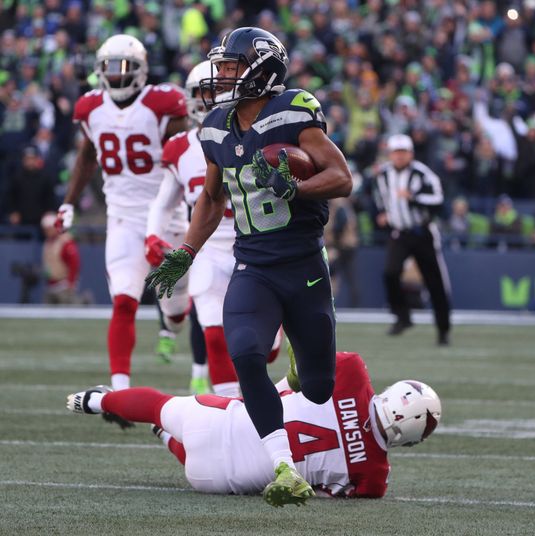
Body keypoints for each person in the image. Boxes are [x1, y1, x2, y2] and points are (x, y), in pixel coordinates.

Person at [145, 27, 353, 507]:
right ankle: (285, 468)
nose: (221, 76)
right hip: (253, 265)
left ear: (262, 70)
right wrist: (187, 252)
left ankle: (303, 368)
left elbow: (341, 177)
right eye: (222, 67)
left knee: (320, 389)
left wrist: (295, 189)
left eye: (231, 67)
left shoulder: (294, 111)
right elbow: (212, 199)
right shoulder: (215, 126)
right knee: (243, 353)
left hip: (303, 267)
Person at [66, 351, 441, 499]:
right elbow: (326, 494)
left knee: (160, 405)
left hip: (219, 418)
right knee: (198, 454)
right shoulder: (373, 478)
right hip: (215, 480)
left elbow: (310, 356)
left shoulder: (353, 372)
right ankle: (163, 435)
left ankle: (97, 400)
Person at [55, 34, 190, 393]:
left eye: (124, 66)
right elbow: (86, 157)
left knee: (176, 311)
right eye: (109, 67)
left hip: (169, 216)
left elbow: (188, 153)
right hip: (123, 217)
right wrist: (68, 201)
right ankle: (119, 390)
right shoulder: (90, 108)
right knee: (125, 300)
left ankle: (172, 323)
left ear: (141, 69)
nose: (115, 75)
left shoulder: (162, 103)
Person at [145, 60, 240, 397]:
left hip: (253, 247)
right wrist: (152, 235)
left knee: (264, 347)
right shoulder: (180, 147)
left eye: (217, 90)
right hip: (208, 249)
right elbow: (164, 201)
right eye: (203, 91)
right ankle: (231, 410)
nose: (209, 99)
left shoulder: (253, 134)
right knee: (213, 332)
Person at [372, 133, 452, 346]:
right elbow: (380, 197)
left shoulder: (422, 174)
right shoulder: (383, 175)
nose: (399, 157)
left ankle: (443, 330)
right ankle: (403, 317)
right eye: (395, 152)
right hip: (399, 232)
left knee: (434, 283)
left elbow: (439, 200)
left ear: (411, 154)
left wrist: (414, 198)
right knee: (390, 273)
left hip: (422, 232)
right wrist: (382, 213)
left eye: (403, 152)